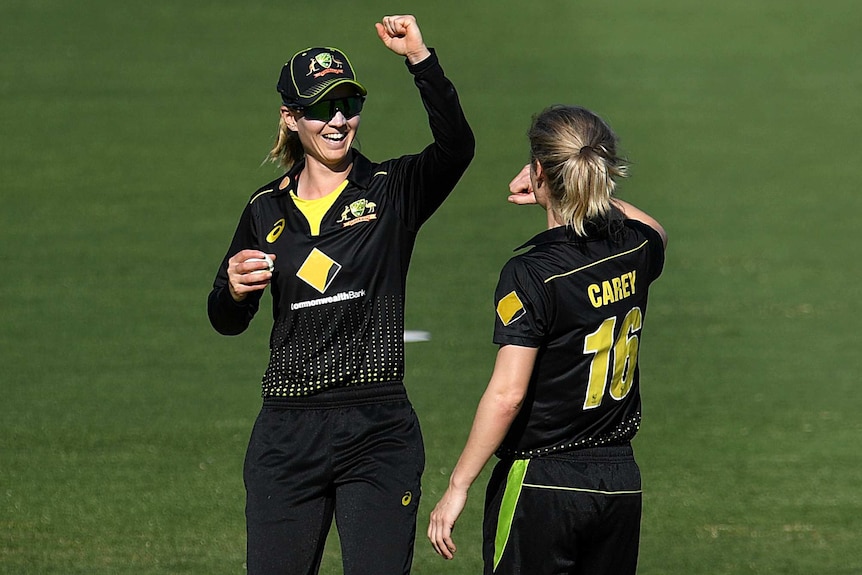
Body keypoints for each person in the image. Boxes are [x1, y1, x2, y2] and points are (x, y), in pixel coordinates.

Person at [207, 15, 474, 575]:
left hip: (378, 430)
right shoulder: (264, 209)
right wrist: (231, 290)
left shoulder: (392, 190)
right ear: (290, 117)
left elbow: (456, 148)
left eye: (348, 105)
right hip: (286, 433)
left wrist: (420, 59)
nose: (338, 120)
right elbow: (227, 320)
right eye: (321, 108)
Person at [427, 105, 667, 574]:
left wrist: (458, 486)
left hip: (542, 481)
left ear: (539, 171)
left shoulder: (532, 273)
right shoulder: (634, 249)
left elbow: (507, 395)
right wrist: (579, 189)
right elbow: (656, 229)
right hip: (620, 483)